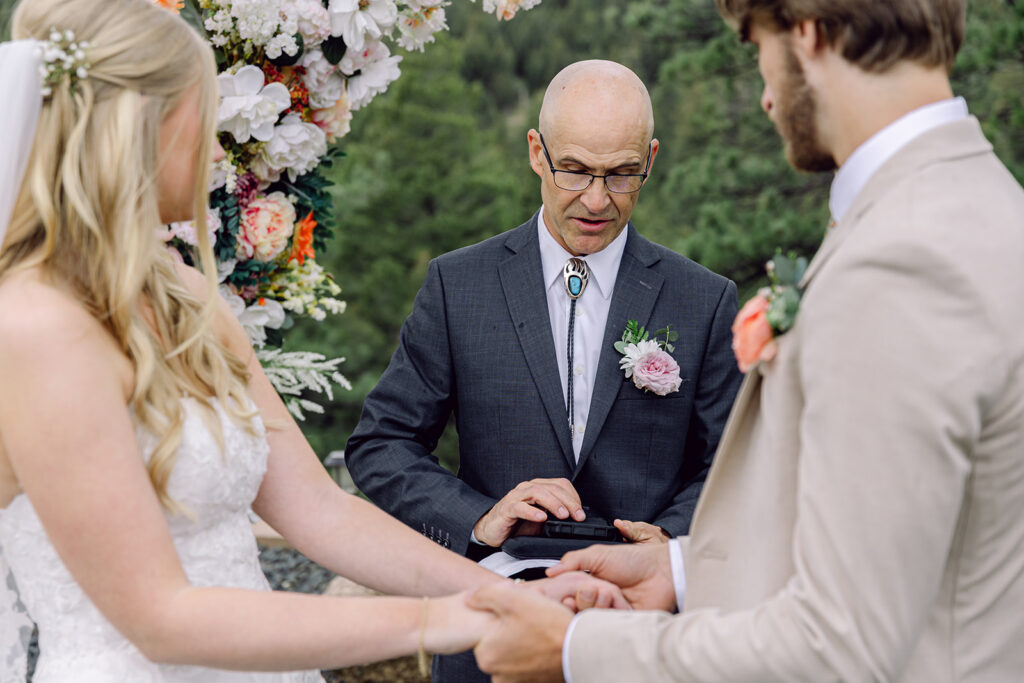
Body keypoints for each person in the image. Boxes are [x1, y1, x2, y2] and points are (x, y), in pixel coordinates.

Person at [0, 1, 625, 681]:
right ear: (138, 129)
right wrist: (446, 619)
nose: (215, 151)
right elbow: (160, 616)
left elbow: (320, 510)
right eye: (200, 119)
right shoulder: (36, 327)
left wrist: (504, 593)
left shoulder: (184, 296)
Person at [469, 0, 1024, 681]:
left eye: (754, 42)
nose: (764, 94)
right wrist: (679, 568)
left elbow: (840, 646)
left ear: (807, 33)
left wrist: (576, 650)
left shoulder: (904, 260)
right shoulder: (978, 202)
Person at [344, 59, 743, 681]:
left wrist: (667, 545)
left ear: (652, 161)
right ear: (537, 152)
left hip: (646, 635)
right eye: (576, 170)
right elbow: (382, 445)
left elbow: (733, 466)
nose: (596, 199)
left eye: (621, 175)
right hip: (492, 625)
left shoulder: (705, 299)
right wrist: (476, 518)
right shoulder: (458, 284)